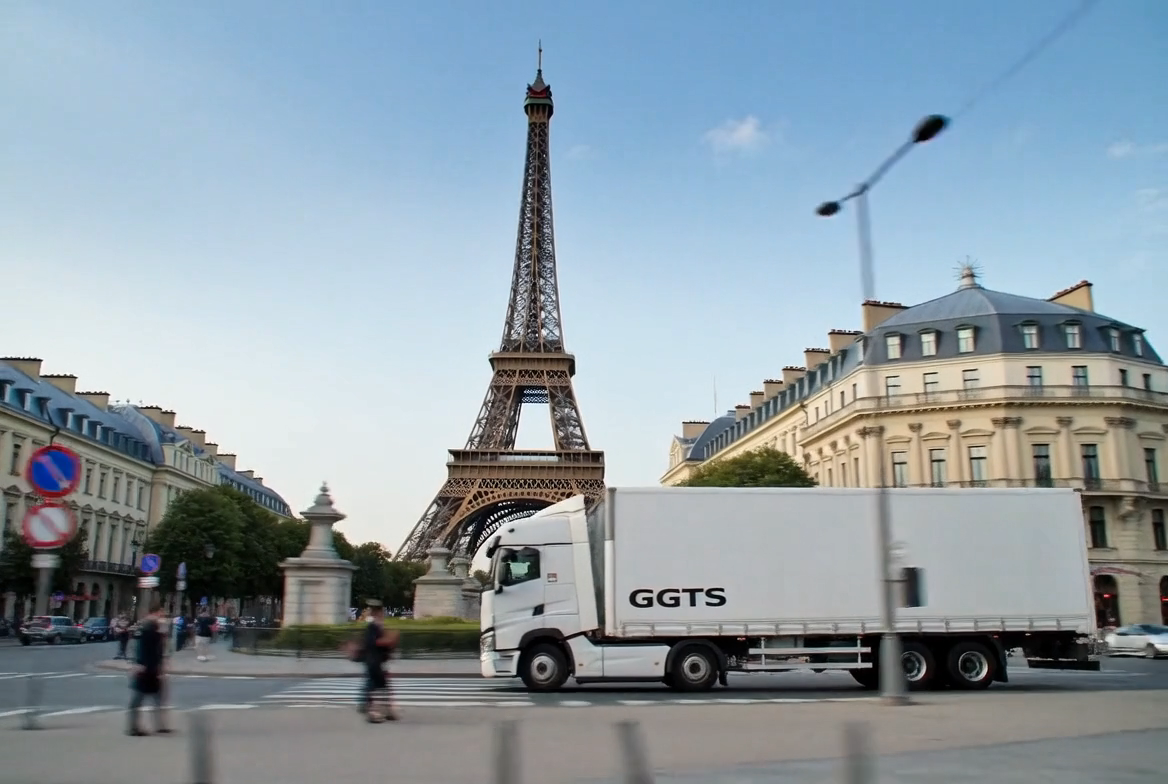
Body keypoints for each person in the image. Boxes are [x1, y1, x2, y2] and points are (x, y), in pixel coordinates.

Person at [127, 601, 171, 736]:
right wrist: (141, 664)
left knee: (155, 697)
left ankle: (159, 725)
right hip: (147, 668)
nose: (162, 616)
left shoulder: (149, 627)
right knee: (140, 698)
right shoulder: (149, 627)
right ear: (156, 612)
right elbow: (149, 649)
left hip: (148, 667)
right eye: (161, 613)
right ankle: (135, 727)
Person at [361, 600, 398, 723]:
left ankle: (386, 711)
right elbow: (373, 643)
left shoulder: (378, 625)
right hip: (374, 661)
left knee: (382, 686)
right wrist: (389, 640)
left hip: (377, 661)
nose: (383, 614)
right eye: (381, 612)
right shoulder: (372, 626)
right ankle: (374, 713)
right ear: (378, 612)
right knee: (375, 687)